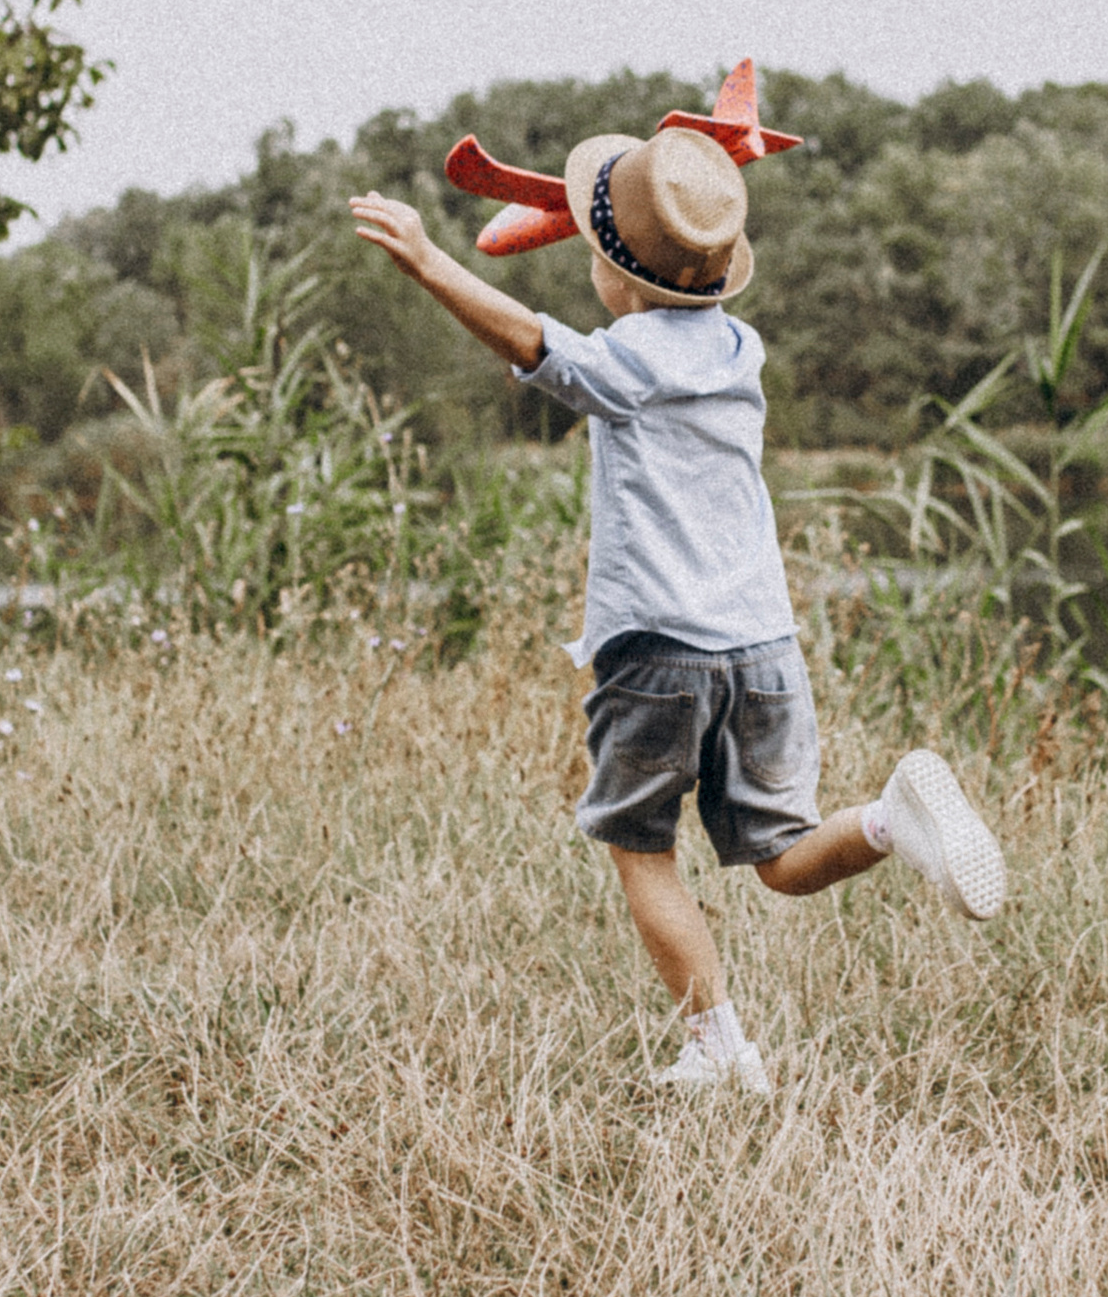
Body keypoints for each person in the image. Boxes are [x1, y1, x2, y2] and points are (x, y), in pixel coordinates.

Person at [351, 114, 1009, 1094]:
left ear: (616, 281)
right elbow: (586, 350)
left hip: (659, 652)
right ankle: (885, 821)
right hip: (763, 648)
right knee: (781, 859)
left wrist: (428, 263)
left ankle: (718, 1049)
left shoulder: (625, 363)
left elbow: (540, 341)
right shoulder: (737, 350)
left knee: (640, 851)